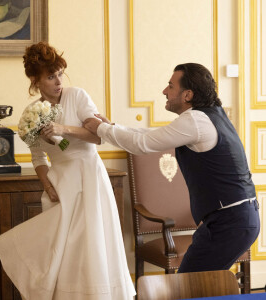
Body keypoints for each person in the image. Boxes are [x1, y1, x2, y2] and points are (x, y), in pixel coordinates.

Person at [83, 63, 260, 273]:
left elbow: (142, 144)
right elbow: (150, 135)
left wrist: (100, 129)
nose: (164, 91)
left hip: (231, 222)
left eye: (170, 86)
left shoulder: (195, 121)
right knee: (197, 287)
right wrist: (111, 128)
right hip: (235, 218)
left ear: (187, 95)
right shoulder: (208, 115)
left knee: (188, 287)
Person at [0, 42, 135, 300]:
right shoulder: (31, 114)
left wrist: (63, 129)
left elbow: (97, 138)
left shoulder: (78, 96)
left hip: (89, 176)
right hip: (60, 182)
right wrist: (47, 186)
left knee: (91, 243)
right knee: (64, 249)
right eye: (50, 76)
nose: (58, 81)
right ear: (35, 81)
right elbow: (38, 157)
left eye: (59, 73)